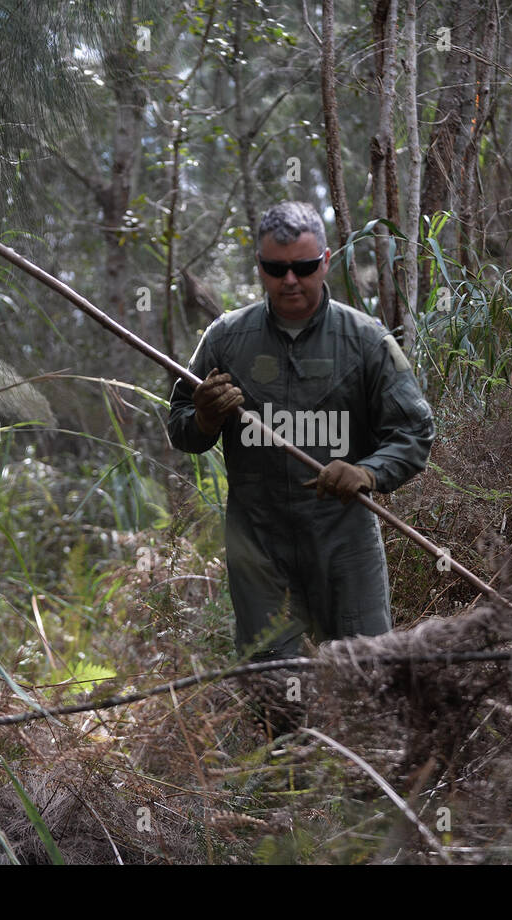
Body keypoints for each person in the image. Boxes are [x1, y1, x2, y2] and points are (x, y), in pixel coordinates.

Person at [167, 201, 434, 662]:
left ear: (325, 261)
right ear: (260, 267)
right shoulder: (224, 339)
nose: (290, 280)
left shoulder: (366, 339)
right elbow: (181, 427)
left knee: (366, 675)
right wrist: (206, 417)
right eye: (276, 268)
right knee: (274, 684)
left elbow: (414, 432)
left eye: (304, 267)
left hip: (345, 541)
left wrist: (368, 473)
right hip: (258, 545)